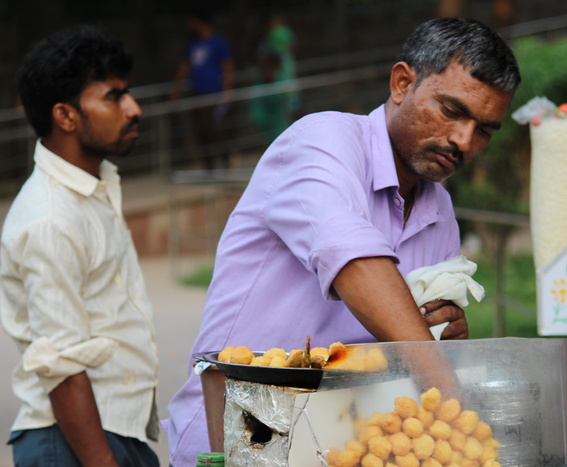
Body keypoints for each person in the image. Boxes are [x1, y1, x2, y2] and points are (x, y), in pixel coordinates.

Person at [163, 17, 520, 466]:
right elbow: (352, 258)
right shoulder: (323, 141)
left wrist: (444, 333)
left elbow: (408, 342)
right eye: (451, 111)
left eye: (485, 129)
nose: (463, 140)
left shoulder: (440, 213)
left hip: (350, 449)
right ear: (402, 82)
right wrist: (447, 387)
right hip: (240, 443)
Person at [1, 25, 159, 466]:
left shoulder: (94, 186)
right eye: (113, 97)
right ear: (65, 117)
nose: (133, 108)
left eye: (127, 93)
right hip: (74, 444)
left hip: (112, 434)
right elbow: (62, 363)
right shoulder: (51, 218)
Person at [170, 8, 235, 170]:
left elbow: (227, 66)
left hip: (213, 92)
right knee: (199, 131)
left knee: (209, 128)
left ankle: (225, 156)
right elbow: (185, 66)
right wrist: (176, 89)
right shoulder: (192, 43)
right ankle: (209, 165)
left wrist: (228, 91)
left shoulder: (218, 42)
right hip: (196, 92)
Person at [249, 13, 300, 142]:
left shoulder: (280, 36)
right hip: (276, 88)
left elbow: (277, 58)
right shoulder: (269, 40)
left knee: (282, 122)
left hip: (279, 87)